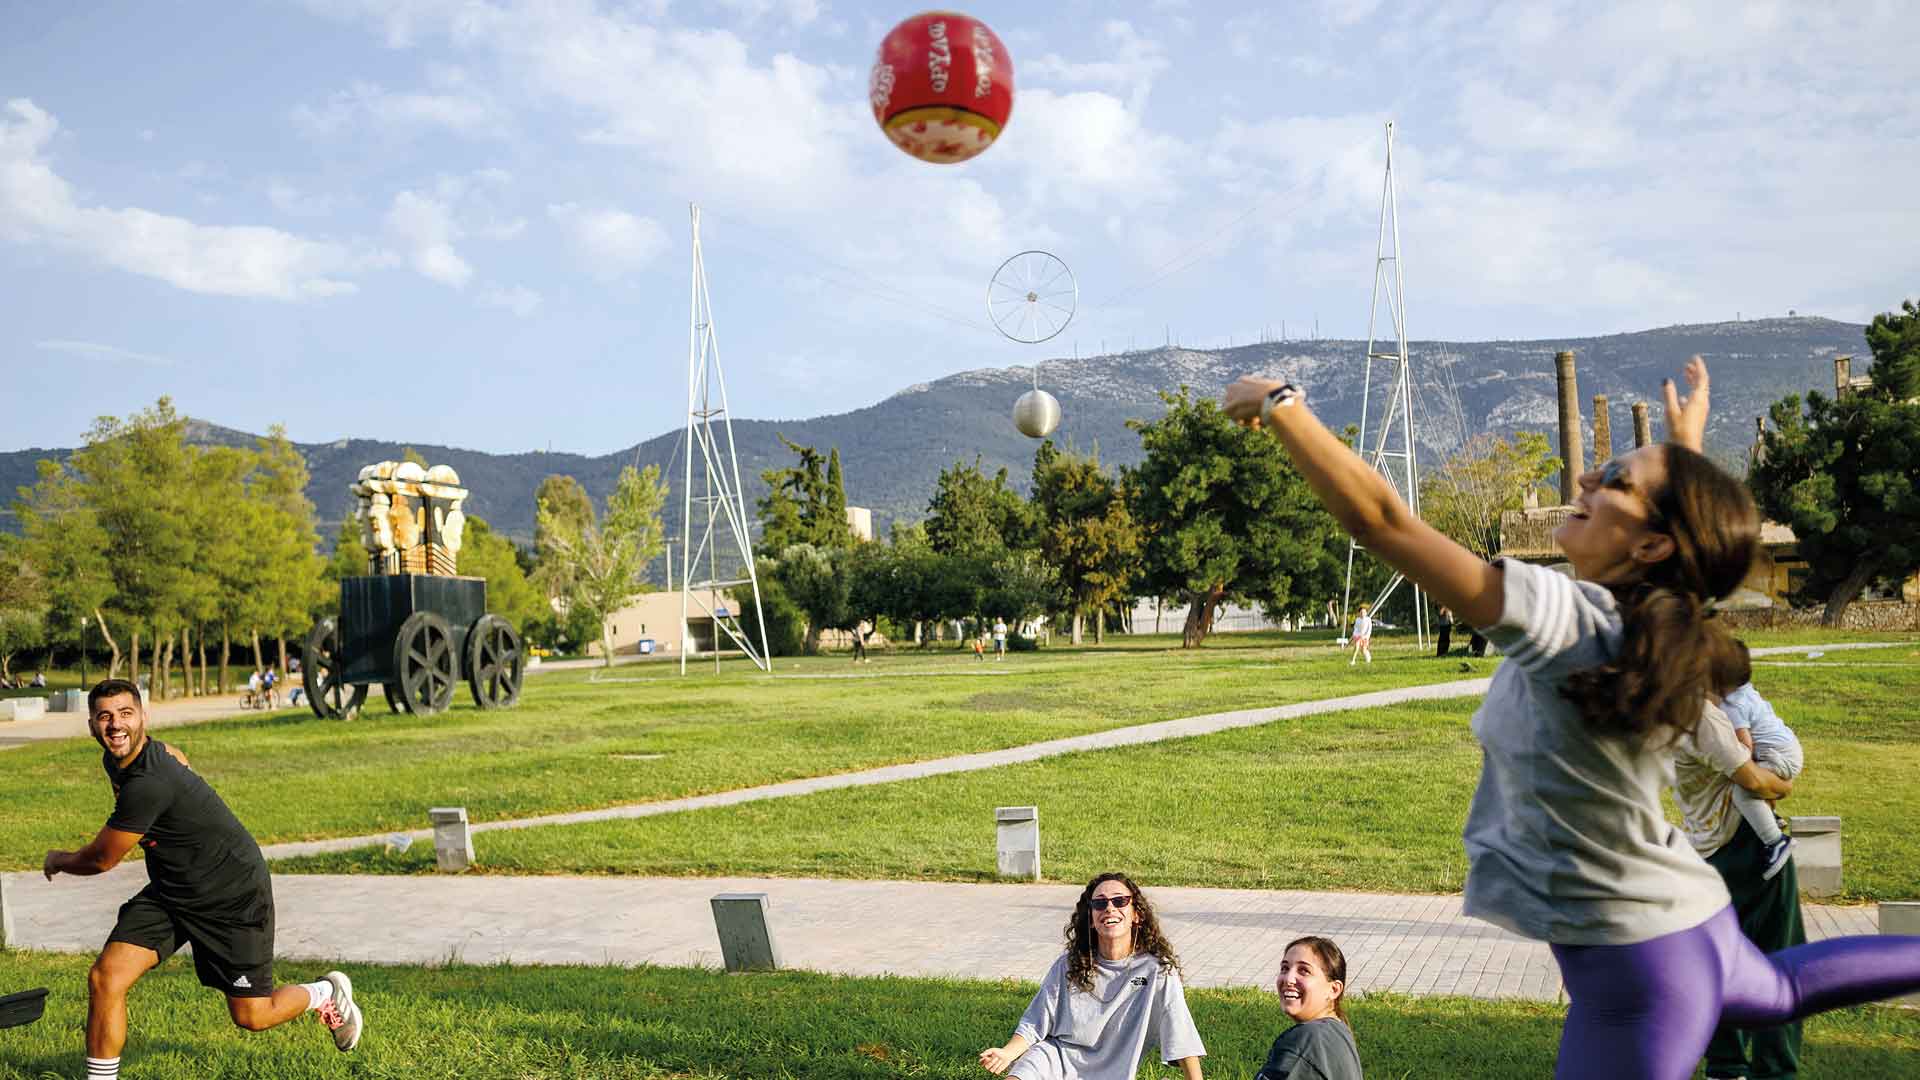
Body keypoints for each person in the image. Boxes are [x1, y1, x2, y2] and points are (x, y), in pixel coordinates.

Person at [1223, 357, 1920, 1079]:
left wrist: (1281, 404)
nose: (1586, 479)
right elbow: (1685, 553)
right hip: (1683, 917)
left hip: (1640, 975)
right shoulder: (1662, 623)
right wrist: (1684, 454)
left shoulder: (1570, 622)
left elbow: (1382, 520)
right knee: (1781, 989)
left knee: (1783, 990)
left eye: (1614, 478)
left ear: (1650, 546)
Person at [41, 679, 364, 1079]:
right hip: (174, 891)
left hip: (232, 895)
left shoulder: (148, 783)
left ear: (143, 716)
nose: (115, 725)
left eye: (125, 714)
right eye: (105, 716)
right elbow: (178, 756)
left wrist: (59, 859)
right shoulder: (126, 758)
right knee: (107, 977)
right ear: (91, 724)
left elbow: (101, 860)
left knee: (252, 1015)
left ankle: (325, 993)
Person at [1672, 692, 1806, 1080]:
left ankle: (1726, 1067)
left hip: (1706, 848)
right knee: (1780, 962)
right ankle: (1774, 1070)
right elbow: (1753, 780)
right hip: (1749, 848)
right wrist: (1786, 784)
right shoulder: (1704, 717)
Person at [980, 873, 1205, 1079]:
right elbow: (1036, 1020)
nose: (1109, 908)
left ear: (1136, 914)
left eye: (1119, 901)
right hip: (1055, 1058)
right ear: (1090, 917)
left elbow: (1180, 1031)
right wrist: (1008, 1053)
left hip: (1114, 1072)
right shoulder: (1069, 964)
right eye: (1099, 903)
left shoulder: (1157, 971)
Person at [1718, 642, 1803, 879]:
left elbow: (1746, 746)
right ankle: (1769, 816)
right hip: (1788, 747)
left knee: (1742, 790)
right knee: (1751, 785)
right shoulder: (1745, 691)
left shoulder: (1731, 705)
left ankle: (1775, 841)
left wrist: (1732, 762)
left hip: (1778, 755)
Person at [1255, 936, 1362, 1080]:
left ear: (1334, 990)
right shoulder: (1338, 1031)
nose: (1288, 979)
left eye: (1304, 971)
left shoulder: (1306, 1040)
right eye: (1285, 968)